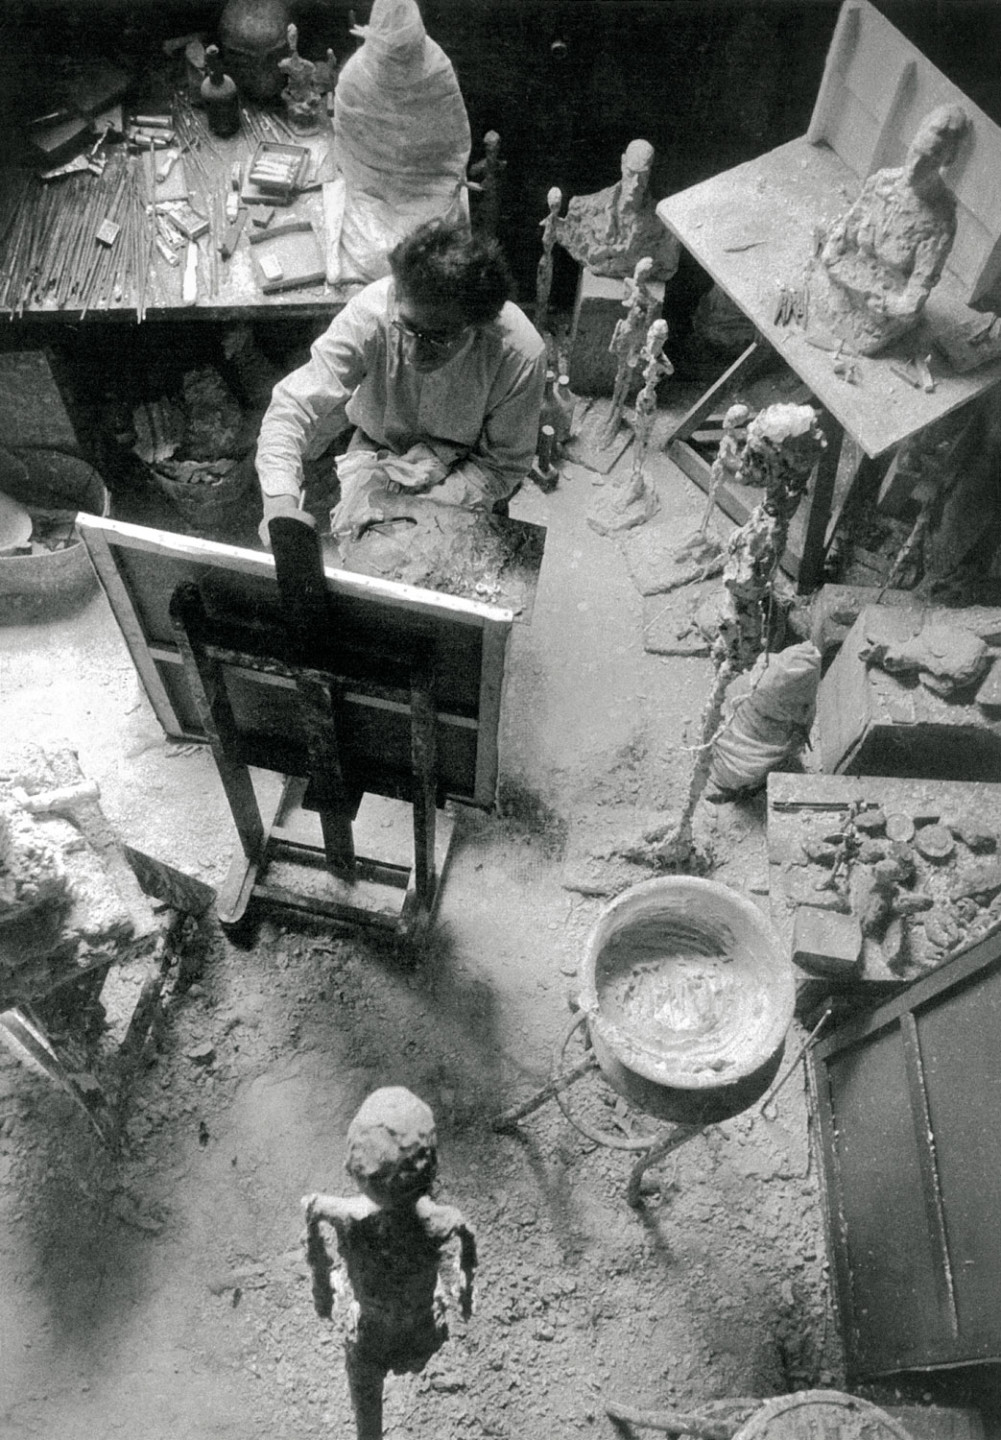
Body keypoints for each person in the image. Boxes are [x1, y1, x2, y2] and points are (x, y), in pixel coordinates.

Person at [255, 219, 547, 548]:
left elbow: (501, 466)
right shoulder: (373, 311)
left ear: (478, 325)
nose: (413, 351)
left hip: (467, 468)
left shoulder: (519, 355)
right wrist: (279, 503)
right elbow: (295, 405)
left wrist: (414, 509)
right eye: (407, 328)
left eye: (437, 338)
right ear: (398, 297)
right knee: (360, 554)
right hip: (377, 449)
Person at [302, 1087, 476, 1440]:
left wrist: (322, 1286)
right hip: (421, 1330)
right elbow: (464, 1240)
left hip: (370, 1336)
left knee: (365, 1397)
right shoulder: (438, 1221)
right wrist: (463, 1293)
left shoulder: (347, 1215)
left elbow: (312, 1209)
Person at [807, 103, 970, 355]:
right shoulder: (882, 182)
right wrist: (833, 254)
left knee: (899, 317)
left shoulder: (940, 220)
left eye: (930, 159)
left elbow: (913, 299)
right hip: (853, 280)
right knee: (827, 265)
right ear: (913, 140)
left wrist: (884, 303)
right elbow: (843, 238)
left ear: (947, 160)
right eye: (916, 153)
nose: (915, 167)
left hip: (883, 306)